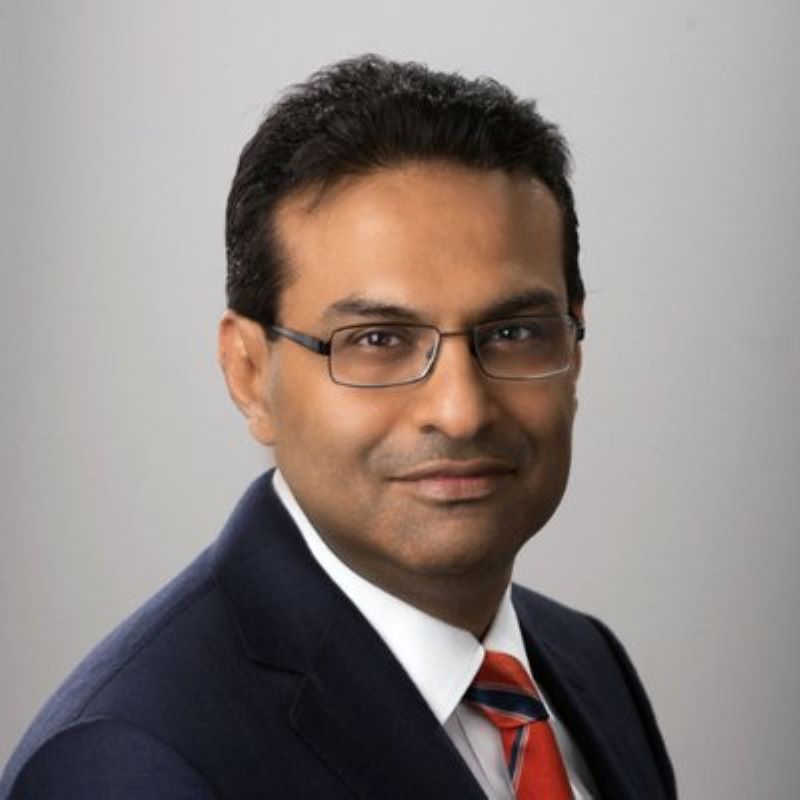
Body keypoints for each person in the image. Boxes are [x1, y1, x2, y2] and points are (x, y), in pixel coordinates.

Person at [0, 55, 675, 799]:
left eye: (514, 333)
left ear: (574, 348)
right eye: (378, 340)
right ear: (248, 372)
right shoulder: (129, 765)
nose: (461, 410)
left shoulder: (587, 664)